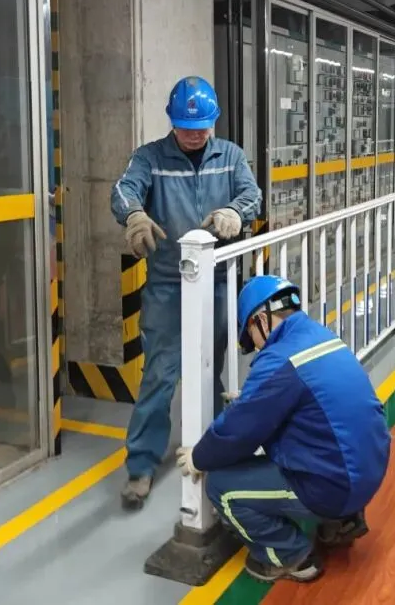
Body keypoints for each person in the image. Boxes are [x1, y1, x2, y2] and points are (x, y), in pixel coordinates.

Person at [175, 275, 391, 583]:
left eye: (252, 336)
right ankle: (343, 520)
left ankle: (291, 557)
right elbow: (314, 395)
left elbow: (237, 432)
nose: (256, 346)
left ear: (262, 320)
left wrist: (199, 457)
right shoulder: (320, 336)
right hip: (371, 467)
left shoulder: (279, 359)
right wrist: (256, 396)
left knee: (221, 487)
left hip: (336, 486)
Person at [111, 76, 262, 510]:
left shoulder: (230, 156)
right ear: (172, 122)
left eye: (202, 127)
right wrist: (134, 215)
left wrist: (235, 211)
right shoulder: (150, 158)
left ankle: (214, 447)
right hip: (167, 283)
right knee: (160, 373)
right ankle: (141, 465)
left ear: (214, 121)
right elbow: (124, 189)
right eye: (186, 127)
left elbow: (252, 194)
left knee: (211, 368)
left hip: (215, 282)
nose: (195, 134)